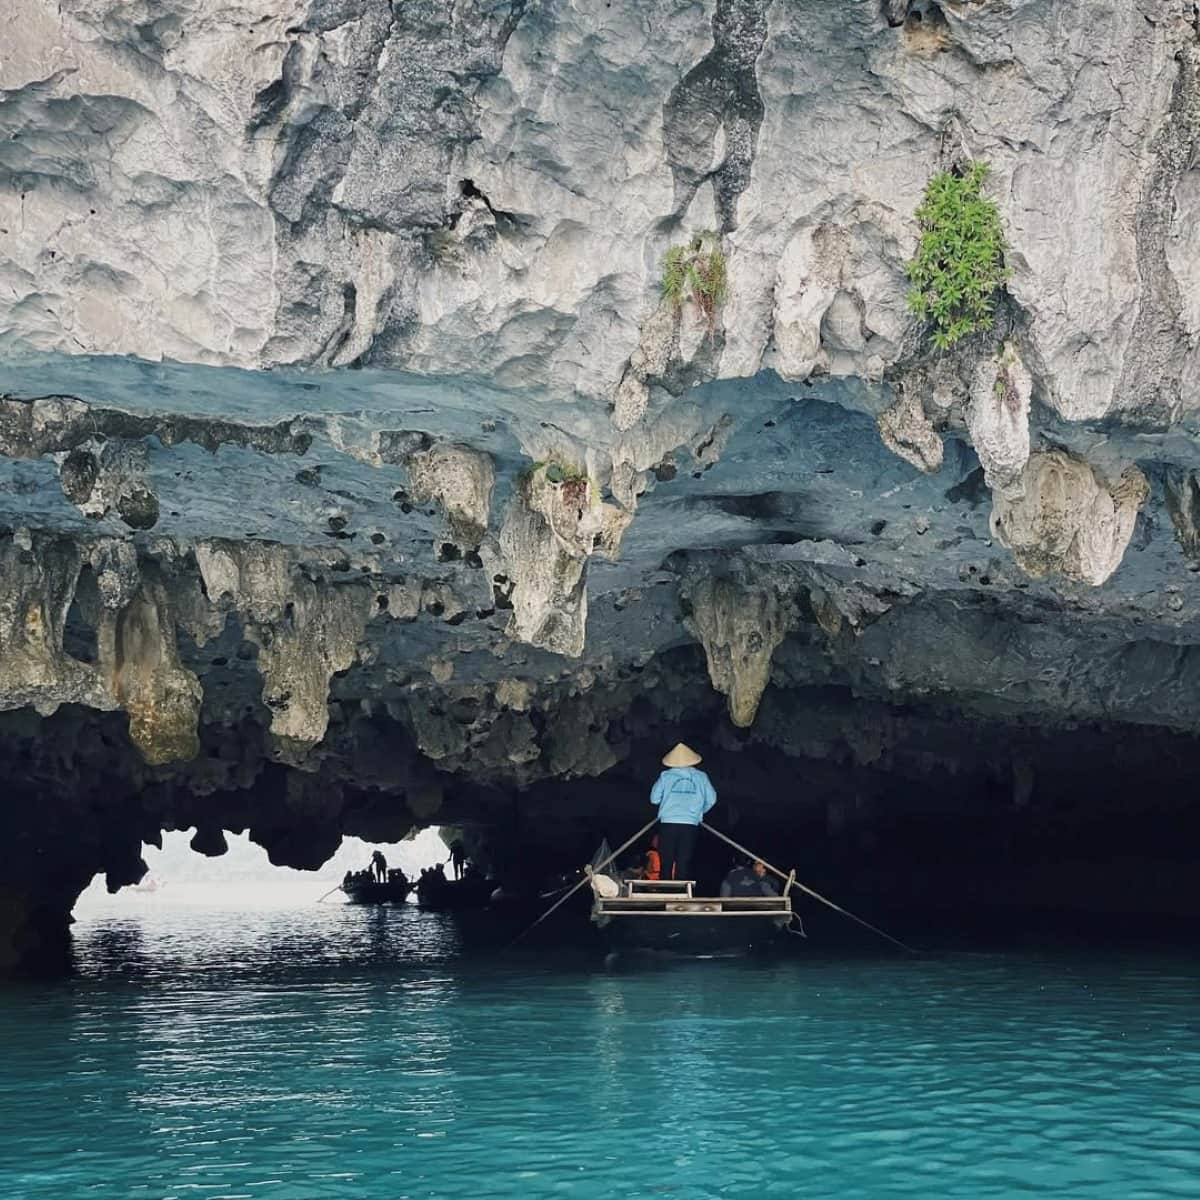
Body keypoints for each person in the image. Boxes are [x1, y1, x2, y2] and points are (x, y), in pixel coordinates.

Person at [650, 743, 716, 881]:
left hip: (668, 822)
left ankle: (665, 894)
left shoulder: (665, 776)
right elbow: (712, 799)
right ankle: (681, 895)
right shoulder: (701, 777)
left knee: (666, 862)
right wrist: (698, 813)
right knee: (683, 862)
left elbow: (654, 799)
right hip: (690, 824)